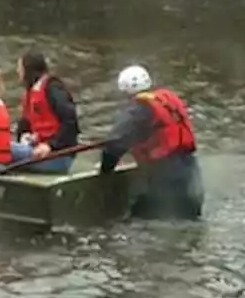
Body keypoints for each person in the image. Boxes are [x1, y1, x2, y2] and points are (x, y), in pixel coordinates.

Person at [99, 64, 203, 220]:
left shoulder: (138, 110)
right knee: (189, 218)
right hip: (190, 170)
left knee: (140, 219)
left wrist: (105, 172)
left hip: (165, 174)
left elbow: (114, 145)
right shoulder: (167, 98)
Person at [11, 51, 80, 174]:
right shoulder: (31, 93)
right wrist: (25, 136)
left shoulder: (52, 88)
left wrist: (50, 146)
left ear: (28, 70)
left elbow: (70, 121)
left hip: (58, 157)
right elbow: (25, 124)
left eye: (20, 68)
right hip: (37, 150)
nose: (17, 71)